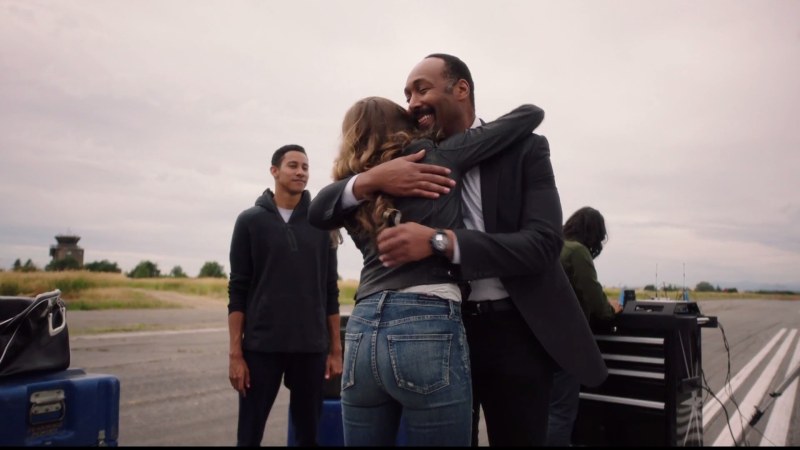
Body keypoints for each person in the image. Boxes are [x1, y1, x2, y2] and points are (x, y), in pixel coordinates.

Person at [344, 53, 608, 446]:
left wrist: (442, 242)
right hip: (440, 327)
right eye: (407, 94)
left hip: (516, 330)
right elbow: (327, 202)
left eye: (421, 89)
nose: (412, 102)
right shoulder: (410, 159)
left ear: (461, 89)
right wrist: (367, 180)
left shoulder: (525, 149)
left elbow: (543, 244)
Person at [308, 97, 544, 446]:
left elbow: (316, 212)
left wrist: (369, 179)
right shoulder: (435, 156)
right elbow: (530, 115)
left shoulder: (351, 189)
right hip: (426, 319)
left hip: (362, 328)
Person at [227, 144, 341, 447]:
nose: (300, 172)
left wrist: (335, 350)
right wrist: (236, 354)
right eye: (293, 165)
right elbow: (238, 289)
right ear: (274, 171)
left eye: (305, 167)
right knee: (248, 437)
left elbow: (330, 289)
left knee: (308, 437)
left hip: (311, 347)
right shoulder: (250, 221)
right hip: (261, 347)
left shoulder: (322, 224)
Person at [546, 206, 623, 447]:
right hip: (565, 343)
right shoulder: (577, 251)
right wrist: (612, 309)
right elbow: (594, 298)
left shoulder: (553, 246)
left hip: (540, 340)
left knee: (544, 410)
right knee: (561, 412)